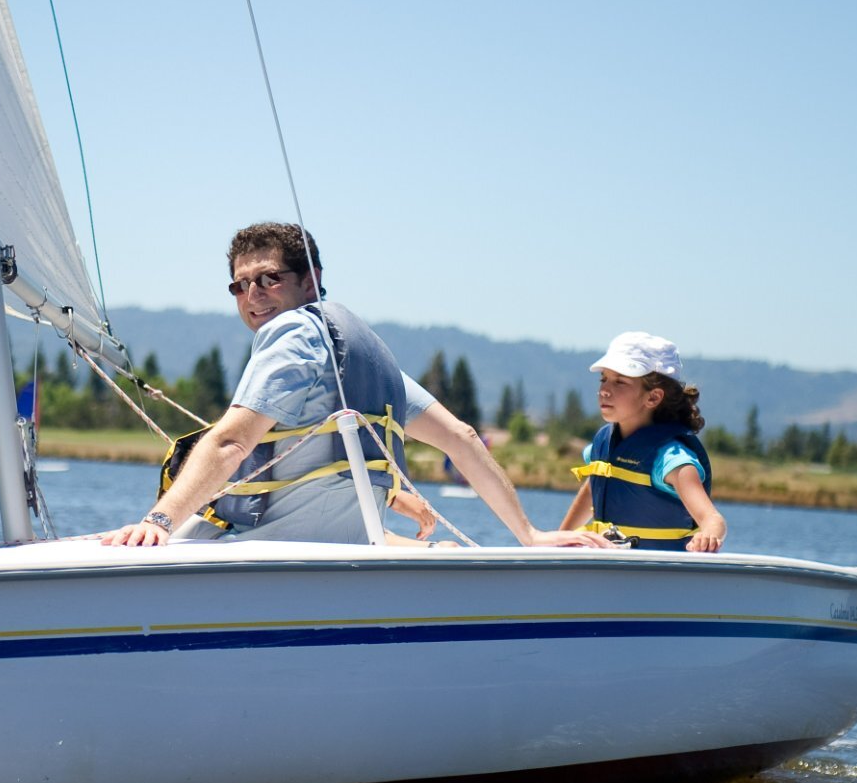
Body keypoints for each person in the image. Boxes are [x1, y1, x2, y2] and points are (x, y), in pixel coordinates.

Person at [103, 223, 610, 548]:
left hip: (266, 549)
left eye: (269, 278)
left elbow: (234, 442)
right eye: (240, 284)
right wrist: (530, 534)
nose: (252, 295)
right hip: (344, 551)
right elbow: (462, 437)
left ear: (311, 280)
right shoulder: (359, 352)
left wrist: (161, 521)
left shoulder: (293, 330)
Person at [559, 331, 728, 552]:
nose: (604, 390)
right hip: (609, 570)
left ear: (653, 397)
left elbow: (714, 520)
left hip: (658, 575)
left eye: (620, 382)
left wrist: (708, 537)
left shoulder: (672, 460)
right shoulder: (603, 446)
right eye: (604, 379)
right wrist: (558, 540)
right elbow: (593, 490)